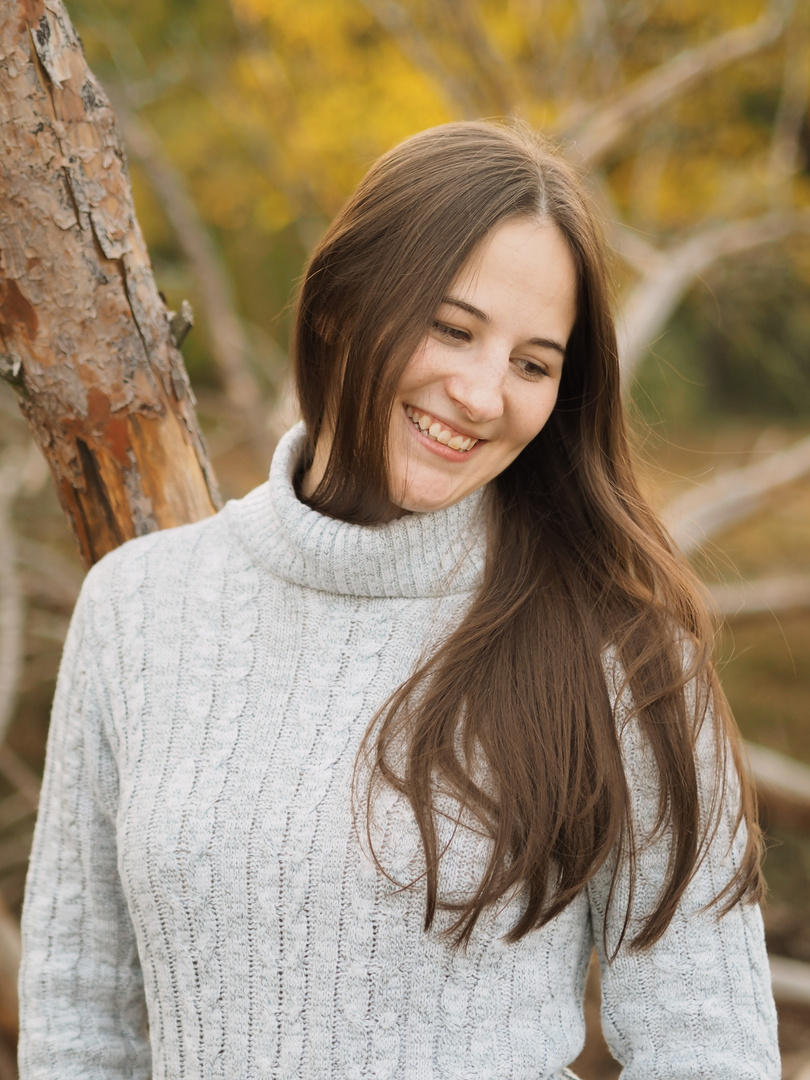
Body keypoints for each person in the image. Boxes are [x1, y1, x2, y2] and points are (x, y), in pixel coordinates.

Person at [18, 121, 779, 1079]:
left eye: (533, 364)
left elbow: (710, 1046)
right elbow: (79, 1019)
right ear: (341, 304)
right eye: (451, 328)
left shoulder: (620, 646)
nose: (479, 391)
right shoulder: (134, 608)